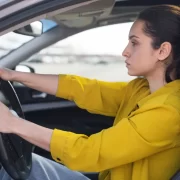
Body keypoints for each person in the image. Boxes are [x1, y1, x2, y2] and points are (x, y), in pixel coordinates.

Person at [0, 4, 180, 180]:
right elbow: (85, 89)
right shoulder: (142, 89)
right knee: (28, 167)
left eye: (134, 43)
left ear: (162, 51)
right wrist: (14, 75)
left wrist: (13, 124)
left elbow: (91, 153)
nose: (125, 52)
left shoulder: (169, 111)